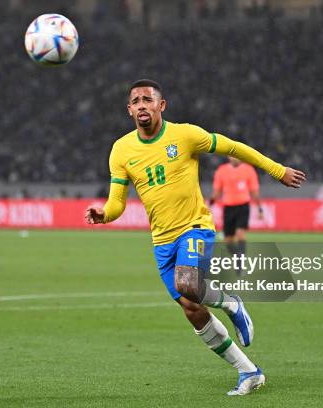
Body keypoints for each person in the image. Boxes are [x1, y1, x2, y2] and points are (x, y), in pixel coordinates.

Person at [85, 79, 306, 396]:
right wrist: (104, 214)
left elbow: (233, 148)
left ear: (162, 106)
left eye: (148, 99)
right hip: (162, 241)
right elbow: (118, 201)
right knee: (192, 309)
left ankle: (231, 303)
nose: (142, 104)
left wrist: (276, 169)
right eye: (136, 101)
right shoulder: (121, 150)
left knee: (187, 283)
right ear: (129, 110)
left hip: (196, 227)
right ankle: (249, 371)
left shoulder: (185, 135)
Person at [211, 157, 263, 261]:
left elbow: (254, 191)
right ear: (228, 156)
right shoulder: (221, 170)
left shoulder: (249, 170)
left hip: (243, 206)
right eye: (232, 155)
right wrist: (210, 204)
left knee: (240, 233)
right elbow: (217, 191)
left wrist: (260, 208)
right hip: (228, 207)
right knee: (228, 240)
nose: (235, 158)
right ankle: (237, 258)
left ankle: (241, 263)